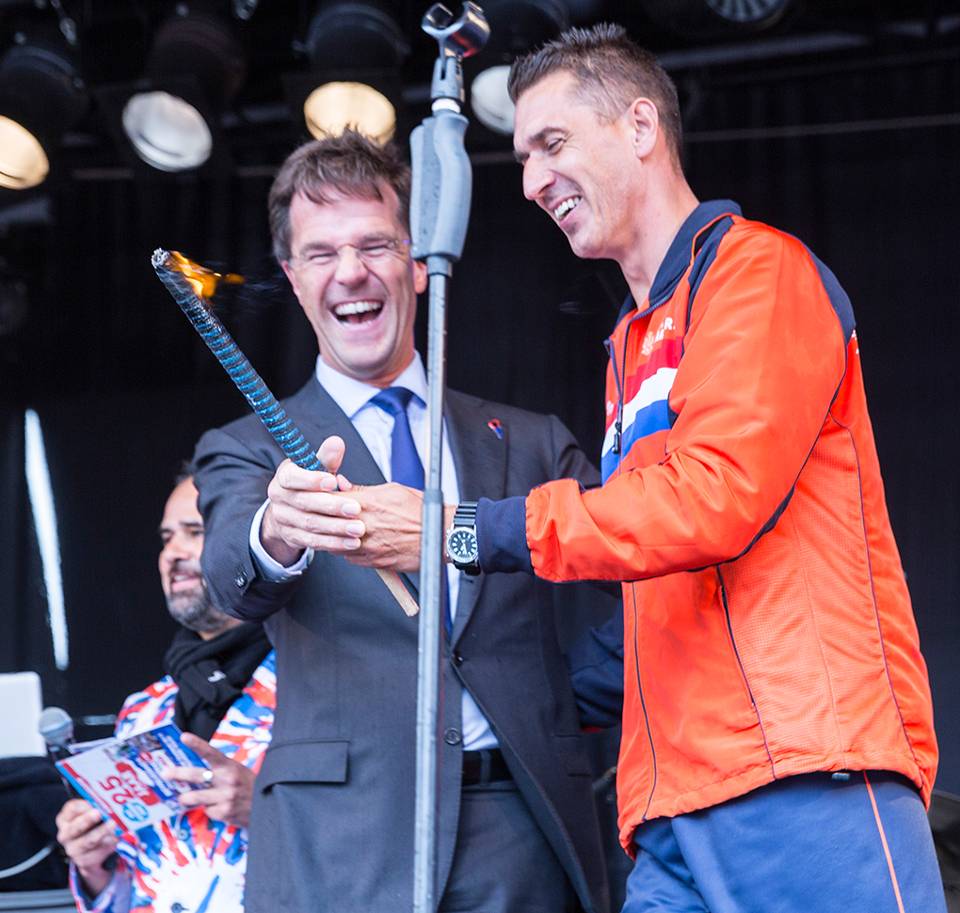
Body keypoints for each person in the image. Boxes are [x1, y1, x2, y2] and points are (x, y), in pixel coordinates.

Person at [319, 24, 946, 913]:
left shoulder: (757, 272)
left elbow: (710, 501)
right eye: (523, 158)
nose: (532, 182)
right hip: (669, 804)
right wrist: (509, 705)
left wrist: (454, 528)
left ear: (641, 127)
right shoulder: (630, 340)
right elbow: (655, 578)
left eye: (552, 143)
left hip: (802, 769)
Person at [191, 130, 617, 913]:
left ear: (419, 263)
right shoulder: (248, 447)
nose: (350, 271)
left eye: (374, 245)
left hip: (517, 828)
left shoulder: (530, 441)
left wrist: (560, 698)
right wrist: (278, 529)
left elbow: (643, 569)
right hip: (337, 842)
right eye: (321, 253)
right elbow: (229, 576)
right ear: (292, 275)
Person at [55, 472, 275, 913]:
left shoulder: (316, 689)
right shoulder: (143, 710)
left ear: (252, 544)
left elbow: (391, 836)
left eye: (195, 532)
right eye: (167, 538)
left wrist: (270, 810)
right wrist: (94, 866)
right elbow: (137, 886)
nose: (173, 553)